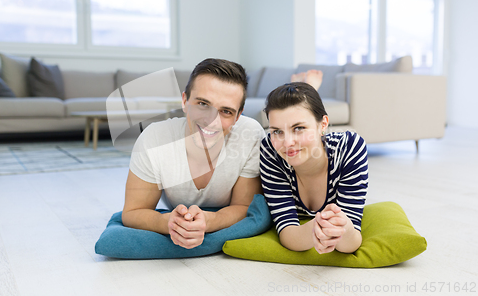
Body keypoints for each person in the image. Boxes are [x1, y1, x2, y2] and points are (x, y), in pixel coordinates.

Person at [122, 58, 266, 250]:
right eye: (203, 104)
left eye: (226, 111)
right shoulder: (154, 139)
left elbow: (244, 207)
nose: (211, 120)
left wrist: (210, 220)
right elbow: (133, 211)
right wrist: (168, 223)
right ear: (184, 101)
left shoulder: (250, 135)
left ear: (238, 116)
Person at [260, 71, 368, 254]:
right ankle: (301, 85)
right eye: (277, 131)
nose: (287, 143)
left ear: (323, 124)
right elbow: (288, 232)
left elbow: (350, 243)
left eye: (299, 128)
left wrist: (342, 229)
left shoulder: (349, 147)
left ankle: (305, 85)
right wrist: (317, 229)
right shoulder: (270, 149)